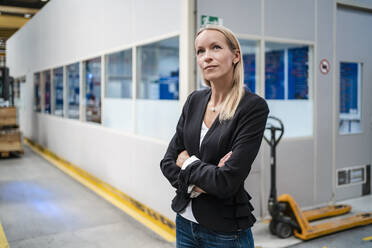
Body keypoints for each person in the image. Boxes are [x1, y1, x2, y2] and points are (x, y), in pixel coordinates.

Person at [160, 24, 269, 248]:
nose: (207, 57)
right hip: (185, 223)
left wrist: (187, 163)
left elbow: (226, 181)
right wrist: (201, 178)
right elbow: (168, 163)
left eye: (216, 48)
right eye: (200, 51)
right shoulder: (194, 101)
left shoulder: (251, 107)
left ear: (235, 55)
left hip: (225, 233)